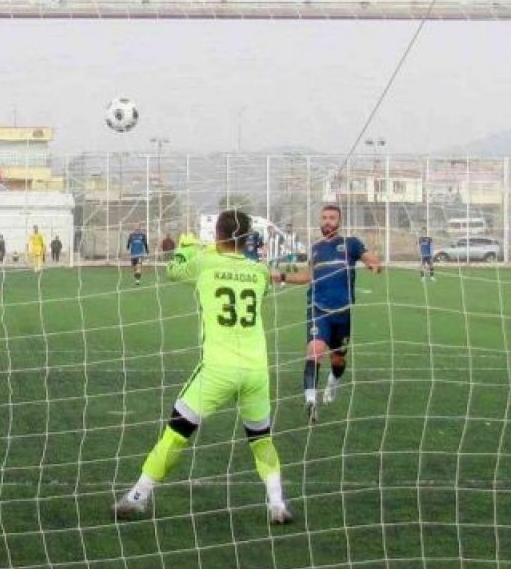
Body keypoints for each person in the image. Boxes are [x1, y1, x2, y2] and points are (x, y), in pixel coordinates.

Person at [114, 210, 293, 524]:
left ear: (217, 235)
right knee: (261, 439)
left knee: (176, 432)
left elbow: (173, 270)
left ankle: (138, 496)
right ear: (247, 239)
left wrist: (186, 247)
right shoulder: (259, 271)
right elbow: (253, 279)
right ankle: (277, 504)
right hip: (256, 371)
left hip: (218, 369)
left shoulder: (204, 262)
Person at [273, 204, 382, 424]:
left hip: (342, 312)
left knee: (338, 360)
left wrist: (375, 265)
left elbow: (372, 260)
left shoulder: (350, 244)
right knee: (314, 351)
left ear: (339, 221)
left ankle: (333, 381)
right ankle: (311, 401)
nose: (327, 221)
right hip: (318, 308)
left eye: (332, 217)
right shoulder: (315, 248)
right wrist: (282, 277)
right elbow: (308, 276)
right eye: (324, 217)